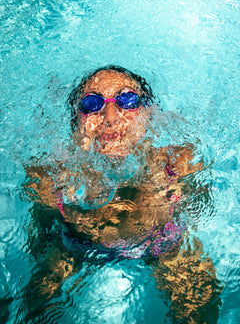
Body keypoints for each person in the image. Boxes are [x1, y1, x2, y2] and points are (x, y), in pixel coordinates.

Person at [23, 65, 222, 323]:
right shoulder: (49, 181)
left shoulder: (180, 163)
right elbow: (39, 236)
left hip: (162, 243)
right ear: (76, 122)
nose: (111, 116)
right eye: (92, 103)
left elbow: (203, 207)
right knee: (32, 306)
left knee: (201, 308)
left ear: (150, 114)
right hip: (73, 246)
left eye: (127, 100)